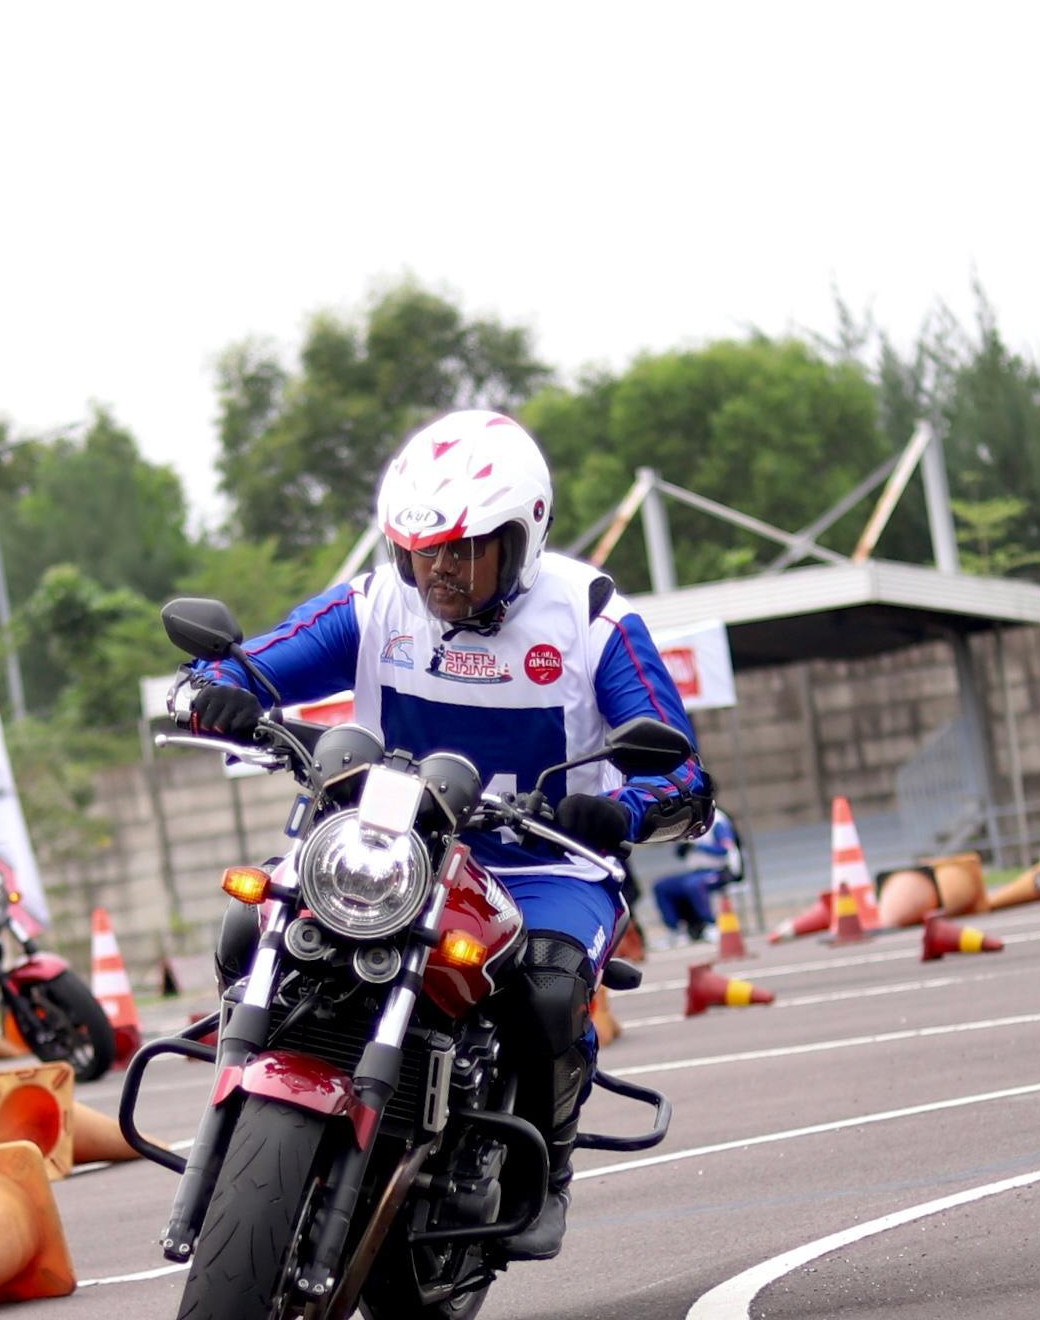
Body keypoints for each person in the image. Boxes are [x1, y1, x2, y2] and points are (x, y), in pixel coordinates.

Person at [181, 409, 712, 1260]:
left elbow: (683, 771)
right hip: (393, 850)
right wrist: (216, 688)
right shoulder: (372, 603)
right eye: (424, 550)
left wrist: (624, 808)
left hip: (545, 865)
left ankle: (548, 1166)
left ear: (522, 535)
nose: (441, 573)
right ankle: (244, 1088)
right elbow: (249, 662)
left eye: (464, 550)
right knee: (253, 920)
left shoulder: (592, 618)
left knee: (546, 986)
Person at [648, 808, 742, 943]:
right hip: (697, 871)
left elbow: (724, 850)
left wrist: (697, 847)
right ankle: (676, 931)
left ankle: (711, 925)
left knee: (694, 885)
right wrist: (682, 848)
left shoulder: (717, 821)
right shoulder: (687, 821)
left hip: (722, 870)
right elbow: (681, 854)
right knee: (662, 886)